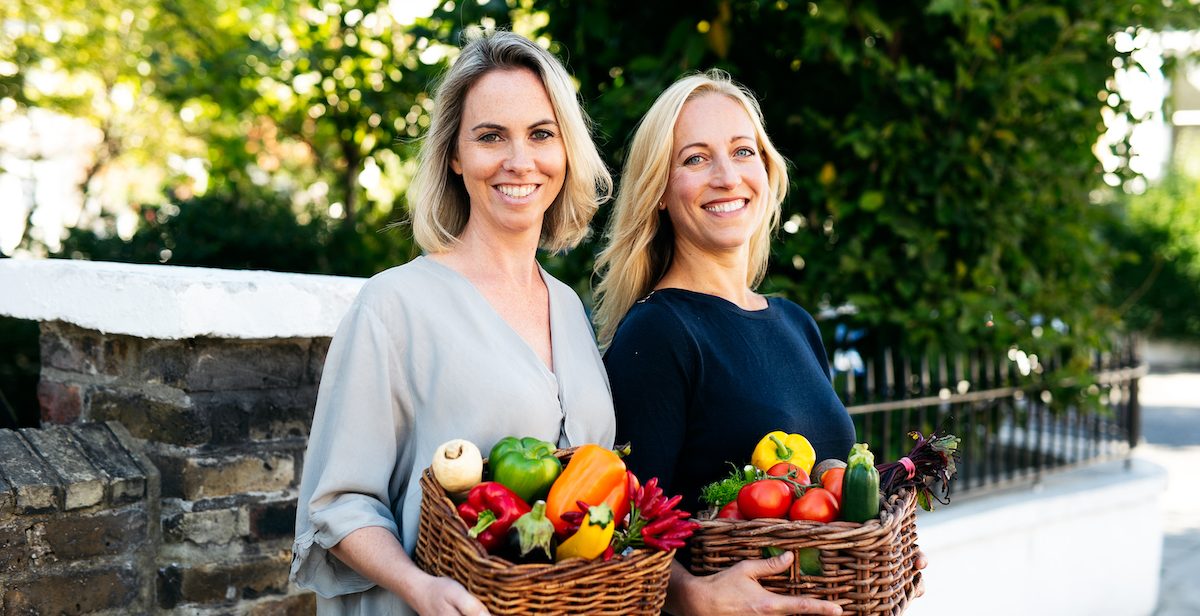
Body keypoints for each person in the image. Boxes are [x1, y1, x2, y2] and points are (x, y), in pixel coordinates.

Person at [291, 31, 616, 616]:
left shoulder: (568, 305)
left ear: (566, 151)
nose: (520, 161)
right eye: (491, 137)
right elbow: (338, 505)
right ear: (455, 156)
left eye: (541, 135)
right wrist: (420, 586)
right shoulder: (394, 305)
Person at [595, 70, 918, 616]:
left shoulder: (795, 323)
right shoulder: (658, 333)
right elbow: (623, 530)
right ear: (659, 194)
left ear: (766, 171)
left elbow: (832, 494)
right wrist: (693, 597)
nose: (726, 176)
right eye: (695, 159)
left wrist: (884, 555)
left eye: (742, 151)